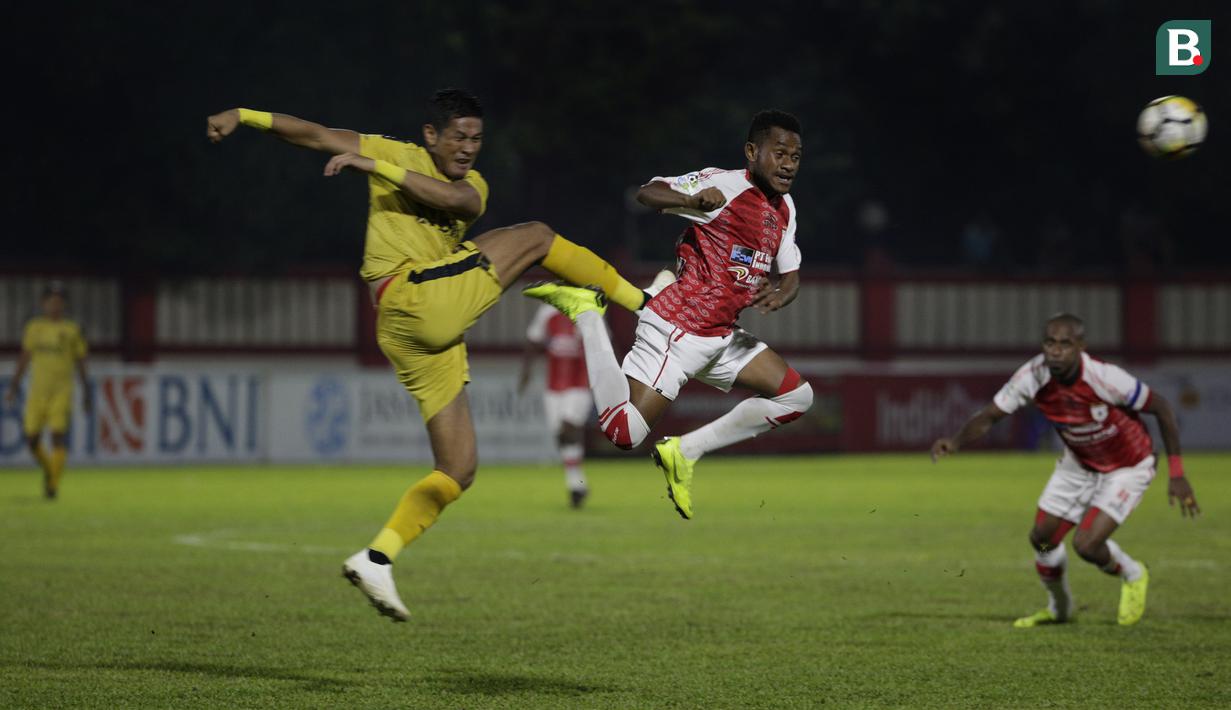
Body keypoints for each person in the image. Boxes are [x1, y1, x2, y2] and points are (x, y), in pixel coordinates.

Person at [207, 89, 652, 622]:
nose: (469, 148)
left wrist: (373, 167)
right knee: (535, 236)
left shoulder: (466, 184)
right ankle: (645, 305)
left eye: (477, 138)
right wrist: (243, 115)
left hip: (417, 329)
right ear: (430, 135)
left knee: (458, 469)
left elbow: (455, 203)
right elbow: (314, 134)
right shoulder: (394, 152)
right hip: (412, 298)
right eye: (459, 136)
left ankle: (377, 558)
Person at [525, 110, 813, 520]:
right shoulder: (723, 186)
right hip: (678, 330)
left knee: (797, 396)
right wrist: (690, 201)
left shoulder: (784, 207)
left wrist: (781, 294)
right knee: (623, 434)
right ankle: (588, 314)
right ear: (752, 152)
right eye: (779, 153)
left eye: (796, 157)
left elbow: (791, 277)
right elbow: (648, 192)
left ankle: (684, 451)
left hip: (721, 335)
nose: (788, 164)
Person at [930, 313, 1200, 627]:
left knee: (1086, 545)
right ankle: (1059, 608)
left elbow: (1163, 408)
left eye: (1065, 344)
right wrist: (956, 441)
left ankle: (1133, 573)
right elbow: (991, 415)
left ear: (1081, 346)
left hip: (1127, 466)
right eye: (1050, 343)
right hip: (1078, 462)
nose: (1056, 351)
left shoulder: (1106, 378)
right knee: (1042, 539)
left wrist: (1177, 473)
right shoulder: (1033, 375)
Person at [5, 282, 91, 499]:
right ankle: (49, 470)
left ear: (64, 304)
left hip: (62, 391)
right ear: (43, 303)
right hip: (37, 392)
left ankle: (52, 485)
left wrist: (86, 391)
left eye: (59, 302)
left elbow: (81, 362)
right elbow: (24, 359)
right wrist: (14, 387)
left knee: (57, 436)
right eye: (51, 301)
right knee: (32, 439)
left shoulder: (72, 330)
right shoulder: (34, 328)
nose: (55, 305)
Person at [518, 303, 594, 508]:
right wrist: (526, 371)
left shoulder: (589, 306)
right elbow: (533, 339)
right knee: (561, 435)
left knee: (570, 426)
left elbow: (604, 344)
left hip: (580, 381)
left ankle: (576, 484)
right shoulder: (546, 310)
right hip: (554, 385)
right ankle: (577, 483)